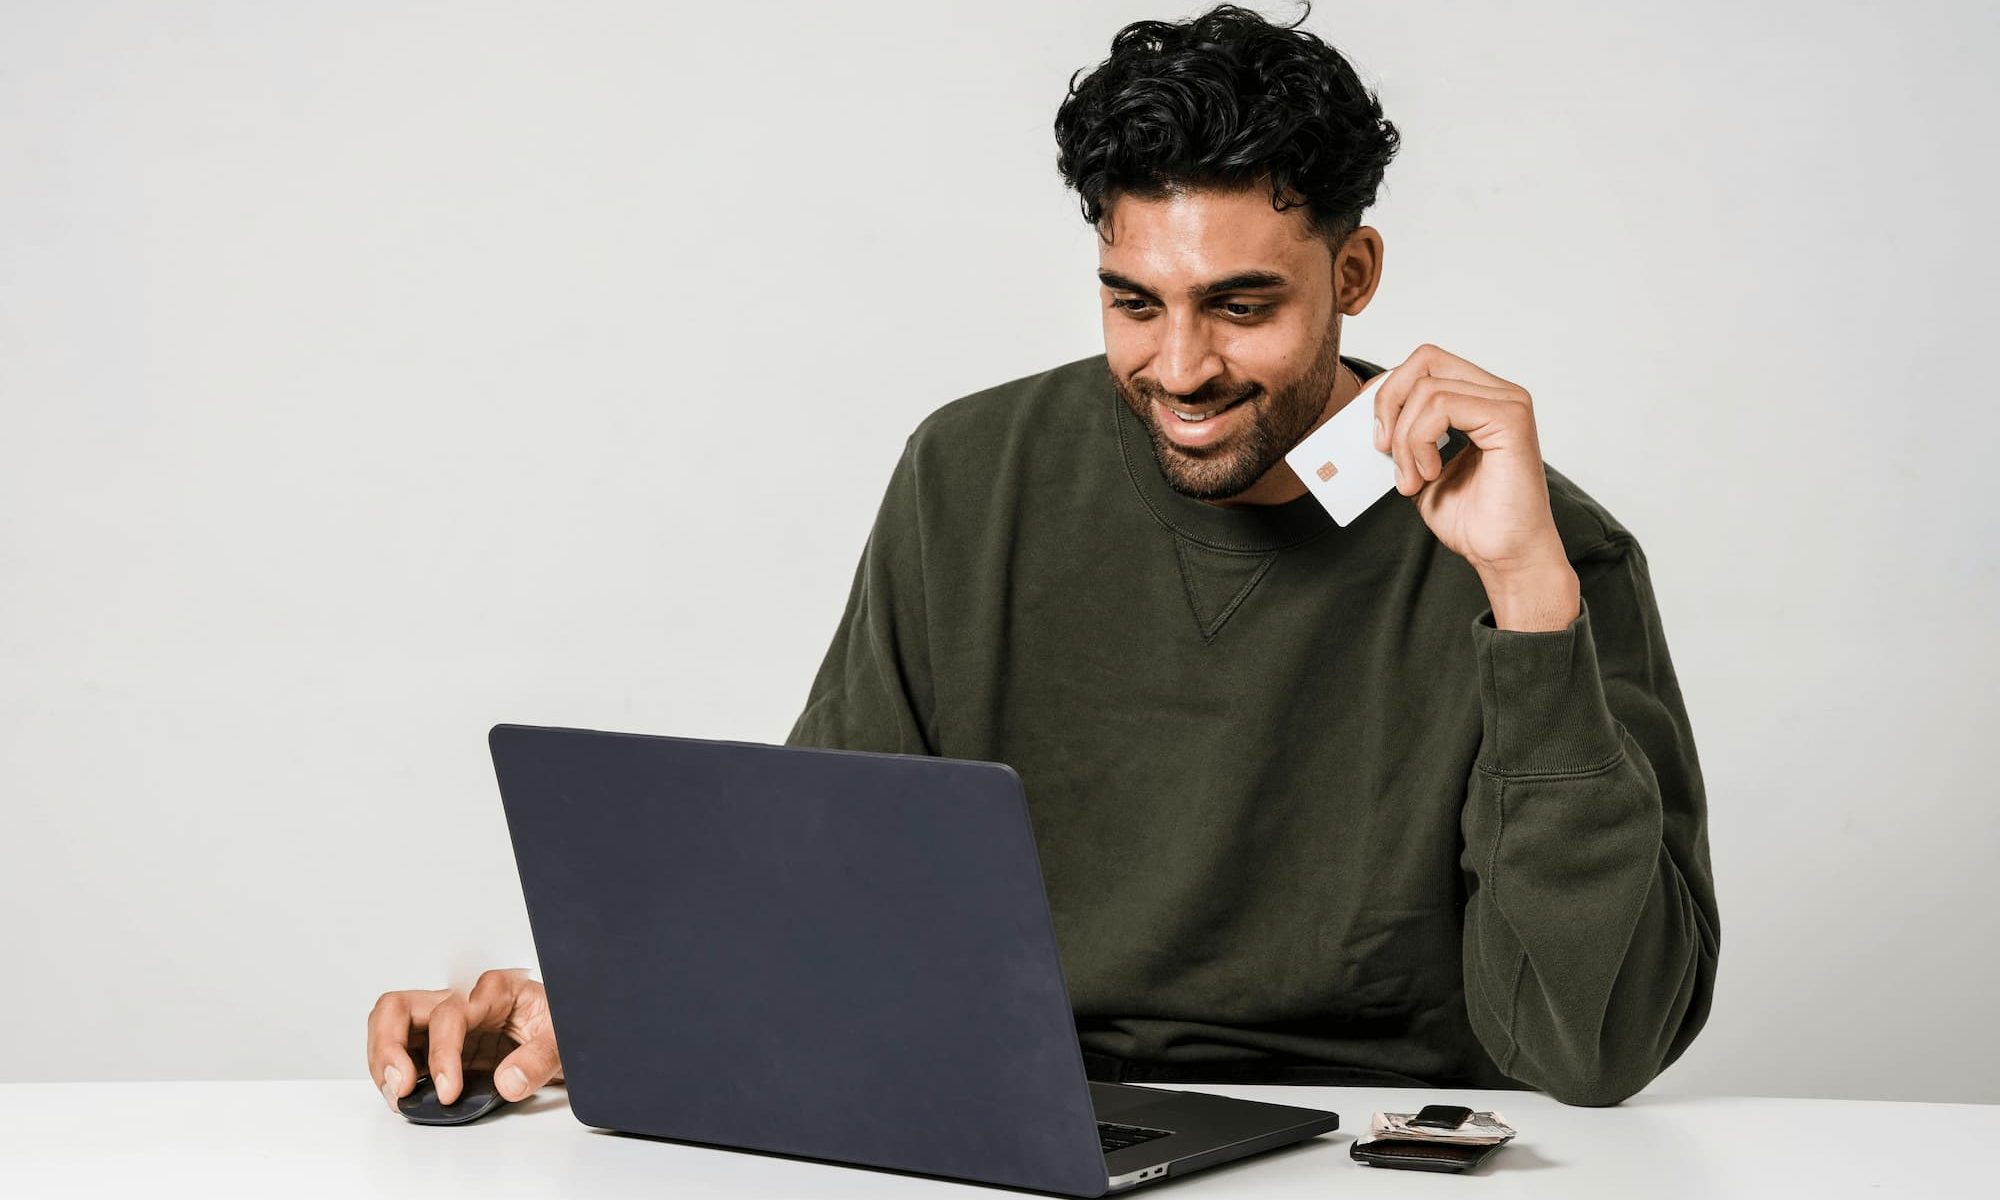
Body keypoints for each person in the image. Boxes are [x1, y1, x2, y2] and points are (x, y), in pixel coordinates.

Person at [367, 2, 1718, 1114]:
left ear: (1353, 272)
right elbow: (827, 891)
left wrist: (1529, 605)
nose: (1180, 368)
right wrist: (582, 1009)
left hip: (1373, 1147)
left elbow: (1597, 1049)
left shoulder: (1543, 547)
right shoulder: (975, 476)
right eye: (1136, 303)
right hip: (1024, 1123)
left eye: (1241, 307)